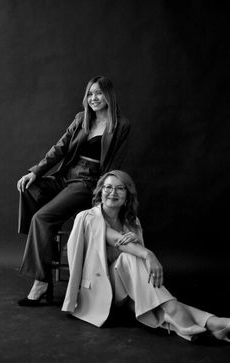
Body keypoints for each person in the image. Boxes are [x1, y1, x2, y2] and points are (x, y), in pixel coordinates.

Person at [62, 170, 230, 342]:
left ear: (127, 195)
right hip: (96, 291)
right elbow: (115, 240)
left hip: (124, 293)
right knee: (129, 258)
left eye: (120, 188)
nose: (113, 192)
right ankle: (184, 316)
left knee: (156, 298)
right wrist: (147, 253)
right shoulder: (88, 217)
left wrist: (137, 245)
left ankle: (213, 322)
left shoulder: (132, 222)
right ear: (100, 192)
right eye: (108, 187)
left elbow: (140, 275)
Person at [17, 76, 130, 306]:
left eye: (98, 93)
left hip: (88, 181)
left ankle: (41, 281)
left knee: (41, 218)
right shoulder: (81, 119)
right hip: (66, 175)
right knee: (29, 188)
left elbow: (115, 164)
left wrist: (102, 192)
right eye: (90, 94)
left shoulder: (120, 125)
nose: (93, 98)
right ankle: (44, 238)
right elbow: (59, 148)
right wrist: (36, 172)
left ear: (109, 95)